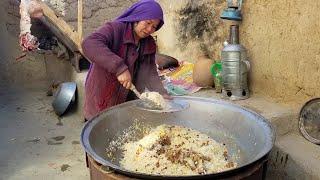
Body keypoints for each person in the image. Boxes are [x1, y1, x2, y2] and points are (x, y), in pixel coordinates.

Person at [82, 0, 171, 121]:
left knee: (123, 129)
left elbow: (150, 72)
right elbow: (89, 43)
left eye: (154, 26)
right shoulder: (115, 29)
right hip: (102, 94)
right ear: (138, 17)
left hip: (126, 97)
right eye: (148, 22)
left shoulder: (149, 43)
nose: (149, 29)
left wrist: (161, 92)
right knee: (98, 128)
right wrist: (120, 68)